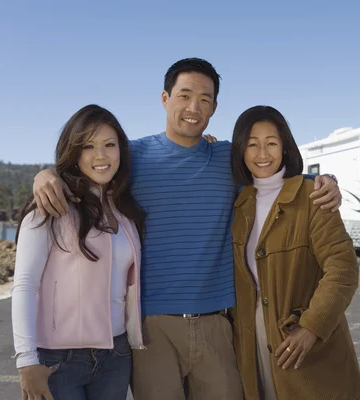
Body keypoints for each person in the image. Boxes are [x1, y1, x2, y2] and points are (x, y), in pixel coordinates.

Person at [31, 58, 342, 400]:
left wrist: (324, 181)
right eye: (184, 95)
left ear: (214, 107)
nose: (194, 107)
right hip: (153, 329)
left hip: (218, 326)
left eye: (205, 99)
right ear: (165, 98)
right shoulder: (131, 157)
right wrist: (46, 175)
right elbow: (88, 168)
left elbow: (274, 176)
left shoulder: (229, 159)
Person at [230, 105, 360, 400]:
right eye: (252, 144)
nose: (262, 153)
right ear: (241, 149)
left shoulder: (312, 196)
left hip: (305, 345)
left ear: (285, 147)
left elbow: (342, 270)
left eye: (271, 143)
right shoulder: (239, 202)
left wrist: (310, 328)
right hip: (252, 346)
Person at [11, 104, 146, 400]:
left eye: (109, 145)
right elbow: (24, 284)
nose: (101, 156)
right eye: (88, 146)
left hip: (115, 354)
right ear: (73, 153)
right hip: (58, 360)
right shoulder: (50, 207)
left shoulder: (125, 214)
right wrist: (26, 360)